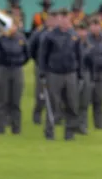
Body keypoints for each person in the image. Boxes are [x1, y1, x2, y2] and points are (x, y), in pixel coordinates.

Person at [39, 8, 83, 140]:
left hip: (70, 73)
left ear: (69, 19)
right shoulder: (50, 36)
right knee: (53, 104)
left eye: (66, 17)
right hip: (54, 73)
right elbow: (43, 55)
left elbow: (79, 56)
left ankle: (69, 132)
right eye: (61, 18)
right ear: (58, 19)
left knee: (71, 103)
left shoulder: (74, 35)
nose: (63, 20)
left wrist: (79, 73)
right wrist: (42, 72)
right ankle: (49, 131)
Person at [0, 19, 28, 134]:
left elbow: (27, 53)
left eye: (14, 26)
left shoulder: (21, 38)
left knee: (16, 100)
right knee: (2, 100)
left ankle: (16, 127)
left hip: (17, 69)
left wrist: (20, 61)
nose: (12, 28)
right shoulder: (0, 38)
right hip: (3, 69)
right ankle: (0, 127)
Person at [29, 10, 57, 124]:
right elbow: (31, 48)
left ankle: (55, 116)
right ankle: (37, 115)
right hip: (42, 66)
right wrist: (38, 61)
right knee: (41, 93)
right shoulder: (39, 32)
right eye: (50, 19)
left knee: (55, 93)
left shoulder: (58, 32)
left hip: (55, 68)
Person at [75, 20, 91, 133]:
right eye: (79, 30)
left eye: (84, 30)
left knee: (84, 102)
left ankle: (82, 125)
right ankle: (72, 124)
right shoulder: (71, 44)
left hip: (86, 73)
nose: (82, 33)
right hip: (73, 74)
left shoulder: (90, 46)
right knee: (72, 101)